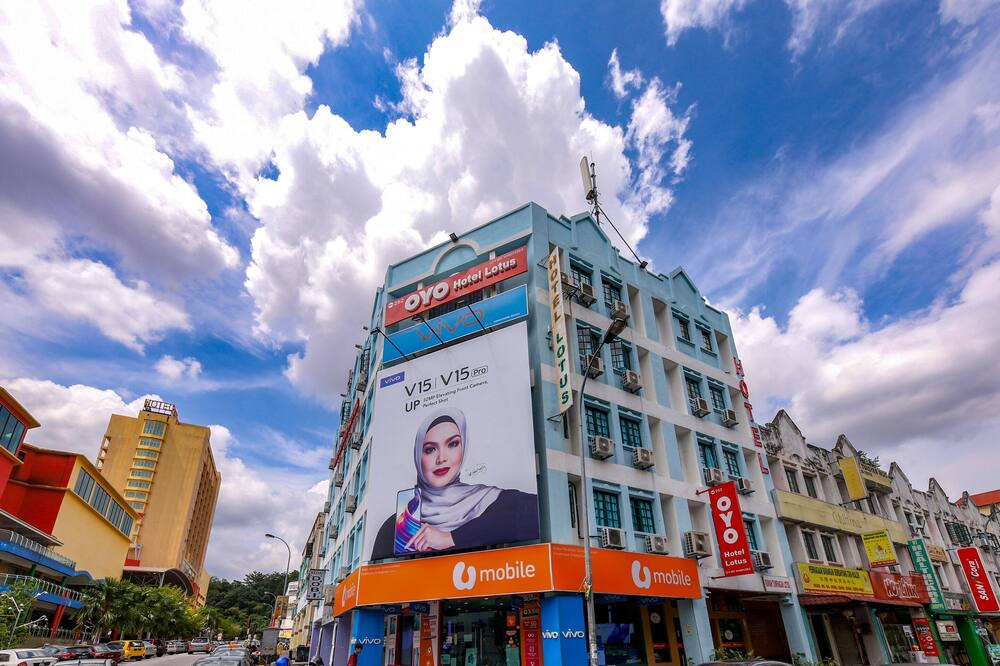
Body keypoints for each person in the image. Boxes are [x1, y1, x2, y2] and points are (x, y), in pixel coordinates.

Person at [371, 408, 538, 559]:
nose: (441, 458)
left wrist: (451, 537)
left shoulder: (497, 500)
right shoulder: (396, 526)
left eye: (452, 444)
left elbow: (540, 515)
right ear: (417, 456)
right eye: (430, 449)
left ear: (463, 447)